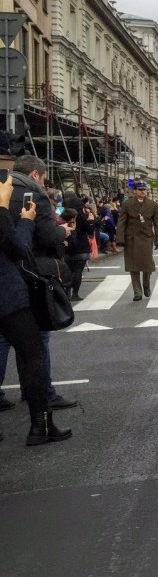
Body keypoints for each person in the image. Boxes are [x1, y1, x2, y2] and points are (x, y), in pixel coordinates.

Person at [0, 175, 72, 445]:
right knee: (33, 354)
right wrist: (25, 219)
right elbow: (17, 248)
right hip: (6, 294)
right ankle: (40, 425)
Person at [116, 180, 158, 301]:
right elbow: (121, 223)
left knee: (147, 265)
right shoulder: (127, 204)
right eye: (140, 190)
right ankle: (137, 291)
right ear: (134, 191)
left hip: (146, 238)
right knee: (133, 266)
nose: (143, 192)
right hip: (131, 238)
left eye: (144, 190)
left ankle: (146, 285)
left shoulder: (153, 205)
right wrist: (120, 240)